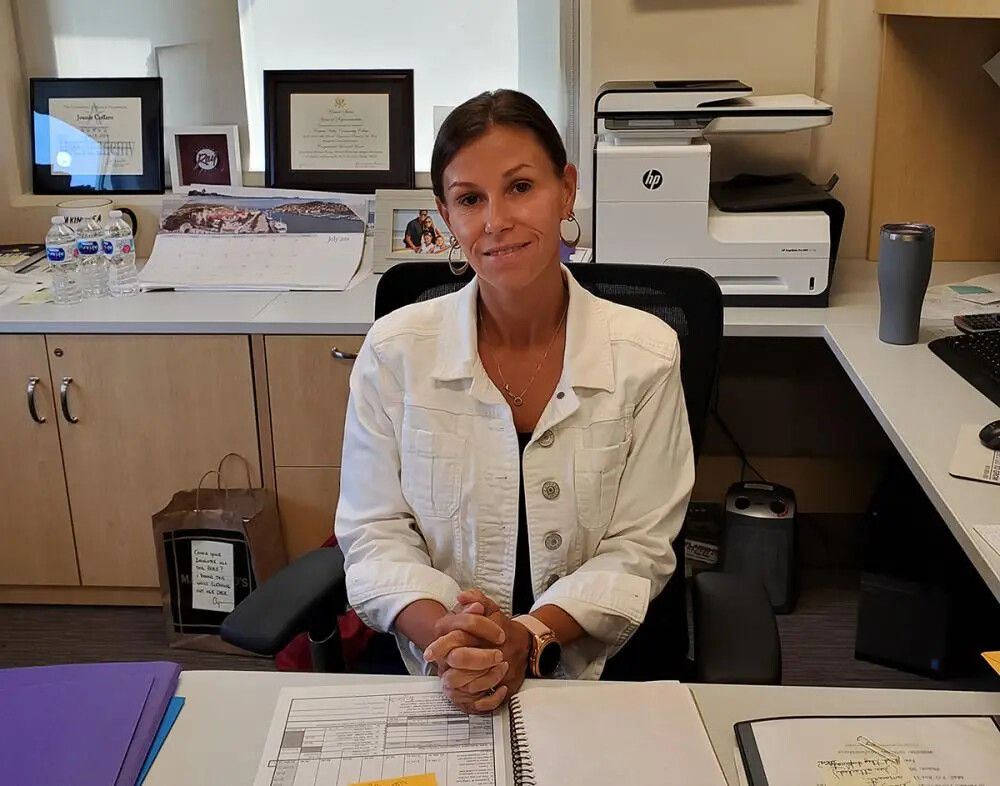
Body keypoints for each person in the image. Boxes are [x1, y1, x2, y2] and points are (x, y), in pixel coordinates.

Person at [334, 89, 694, 714]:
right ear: (446, 218)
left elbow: (639, 548)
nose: (496, 220)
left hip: (596, 666)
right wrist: (452, 641)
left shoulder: (646, 354)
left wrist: (525, 640)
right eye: (470, 199)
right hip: (435, 662)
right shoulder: (395, 351)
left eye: (521, 186)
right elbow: (375, 532)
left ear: (566, 190)